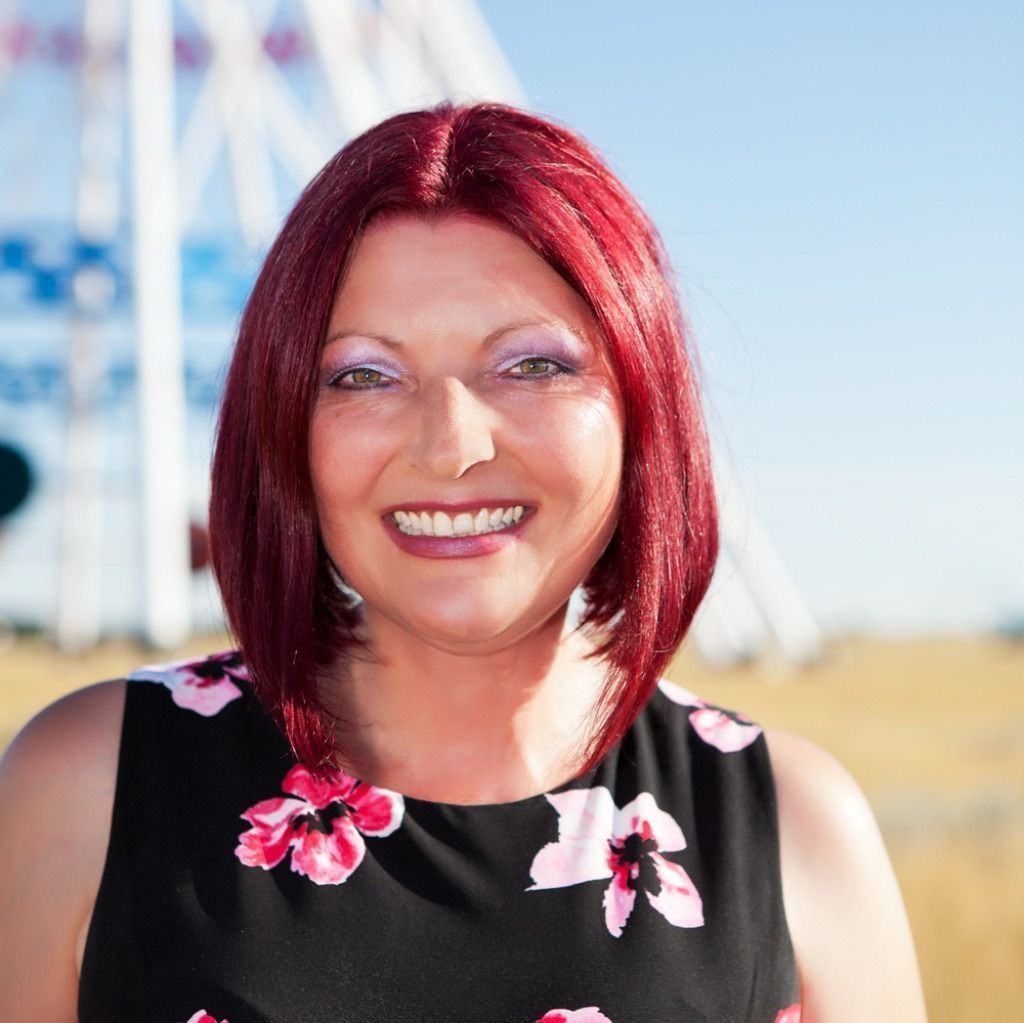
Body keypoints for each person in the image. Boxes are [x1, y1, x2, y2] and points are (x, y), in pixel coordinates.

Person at [0, 103, 927, 1022]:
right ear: (283, 425)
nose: (450, 447)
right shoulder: (87, 789)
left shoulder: (793, 829)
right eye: (365, 374)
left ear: (642, 407)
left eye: (532, 366)